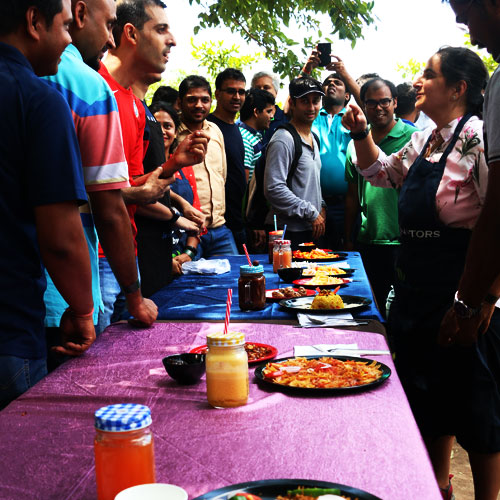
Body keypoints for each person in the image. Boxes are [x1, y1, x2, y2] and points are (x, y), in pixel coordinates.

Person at [342, 47, 499, 500]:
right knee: (430, 403)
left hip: (462, 295)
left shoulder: (480, 138)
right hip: (415, 294)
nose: (417, 80)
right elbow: (379, 173)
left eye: (428, 74)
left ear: (458, 88)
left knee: (478, 410)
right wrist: (359, 133)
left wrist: (484, 299)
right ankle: (437, 488)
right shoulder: (426, 139)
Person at [42, 0, 158, 363]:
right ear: (79, 15)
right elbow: (108, 209)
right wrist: (135, 297)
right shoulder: (88, 87)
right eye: (108, 25)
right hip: (63, 301)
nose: (109, 40)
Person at [0, 0, 95, 408]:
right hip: (9, 332)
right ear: (34, 22)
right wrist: (82, 309)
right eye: (64, 27)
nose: (69, 40)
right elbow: (61, 238)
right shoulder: (37, 99)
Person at [97, 0, 207, 323]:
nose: (172, 40)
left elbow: (128, 184)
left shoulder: (132, 103)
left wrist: (173, 164)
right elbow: (90, 196)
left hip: (123, 260)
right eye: (161, 29)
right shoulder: (94, 89)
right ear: (130, 33)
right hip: (97, 261)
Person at [344, 78, 415, 317]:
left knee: (405, 307)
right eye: (371, 103)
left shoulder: (416, 139)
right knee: (369, 307)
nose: (379, 108)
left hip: (405, 239)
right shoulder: (356, 142)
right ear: (364, 107)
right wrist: (348, 237)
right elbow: (353, 193)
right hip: (369, 238)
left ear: (395, 102)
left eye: (385, 101)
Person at [301, 48, 361, 249]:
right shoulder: (311, 117)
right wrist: (307, 69)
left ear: (347, 96)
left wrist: (345, 73)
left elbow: (370, 103)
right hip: (314, 204)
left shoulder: (355, 116)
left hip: (348, 205)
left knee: (345, 257)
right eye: (327, 83)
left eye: (338, 82)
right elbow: (294, 101)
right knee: (315, 256)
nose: (331, 85)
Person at [177, 75, 238, 258]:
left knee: (235, 279)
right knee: (187, 284)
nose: (199, 105)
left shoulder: (215, 131)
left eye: (204, 100)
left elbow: (222, 176)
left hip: (220, 230)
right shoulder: (172, 135)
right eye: (192, 100)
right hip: (187, 231)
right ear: (180, 103)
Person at [264, 77, 326, 249]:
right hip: (287, 233)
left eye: (316, 101)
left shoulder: (314, 138)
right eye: (304, 101)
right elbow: (274, 188)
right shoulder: (283, 139)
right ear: (292, 103)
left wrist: (321, 206)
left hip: (311, 230)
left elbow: (311, 182)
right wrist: (311, 212)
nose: (311, 107)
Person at [150, 101, 203, 275]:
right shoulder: (142, 166)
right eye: (157, 126)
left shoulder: (185, 168)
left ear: (175, 132)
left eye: (168, 126)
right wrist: (166, 261)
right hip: (154, 256)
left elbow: (196, 217)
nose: (163, 131)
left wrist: (189, 253)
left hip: (185, 257)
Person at [207, 68, 247, 253]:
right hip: (213, 224)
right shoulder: (208, 126)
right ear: (217, 94)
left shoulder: (236, 128)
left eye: (241, 92)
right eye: (231, 91)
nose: (237, 96)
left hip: (236, 219)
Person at [239, 88, 276, 182]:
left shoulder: (252, 137)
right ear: (256, 112)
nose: (272, 116)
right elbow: (243, 183)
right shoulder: (245, 141)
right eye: (268, 111)